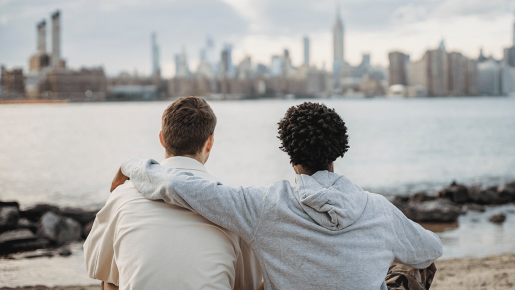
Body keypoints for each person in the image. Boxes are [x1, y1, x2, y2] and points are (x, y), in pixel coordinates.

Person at [113, 102, 443, 290]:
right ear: (338, 152)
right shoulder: (378, 209)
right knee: (415, 268)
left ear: (289, 153)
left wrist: (133, 166)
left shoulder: (261, 205)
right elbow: (431, 250)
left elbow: (180, 186)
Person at [84, 97, 262, 290]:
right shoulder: (234, 204)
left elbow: (95, 265)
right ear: (209, 142)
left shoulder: (123, 195)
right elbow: (246, 285)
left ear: (162, 139)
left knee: (109, 279)